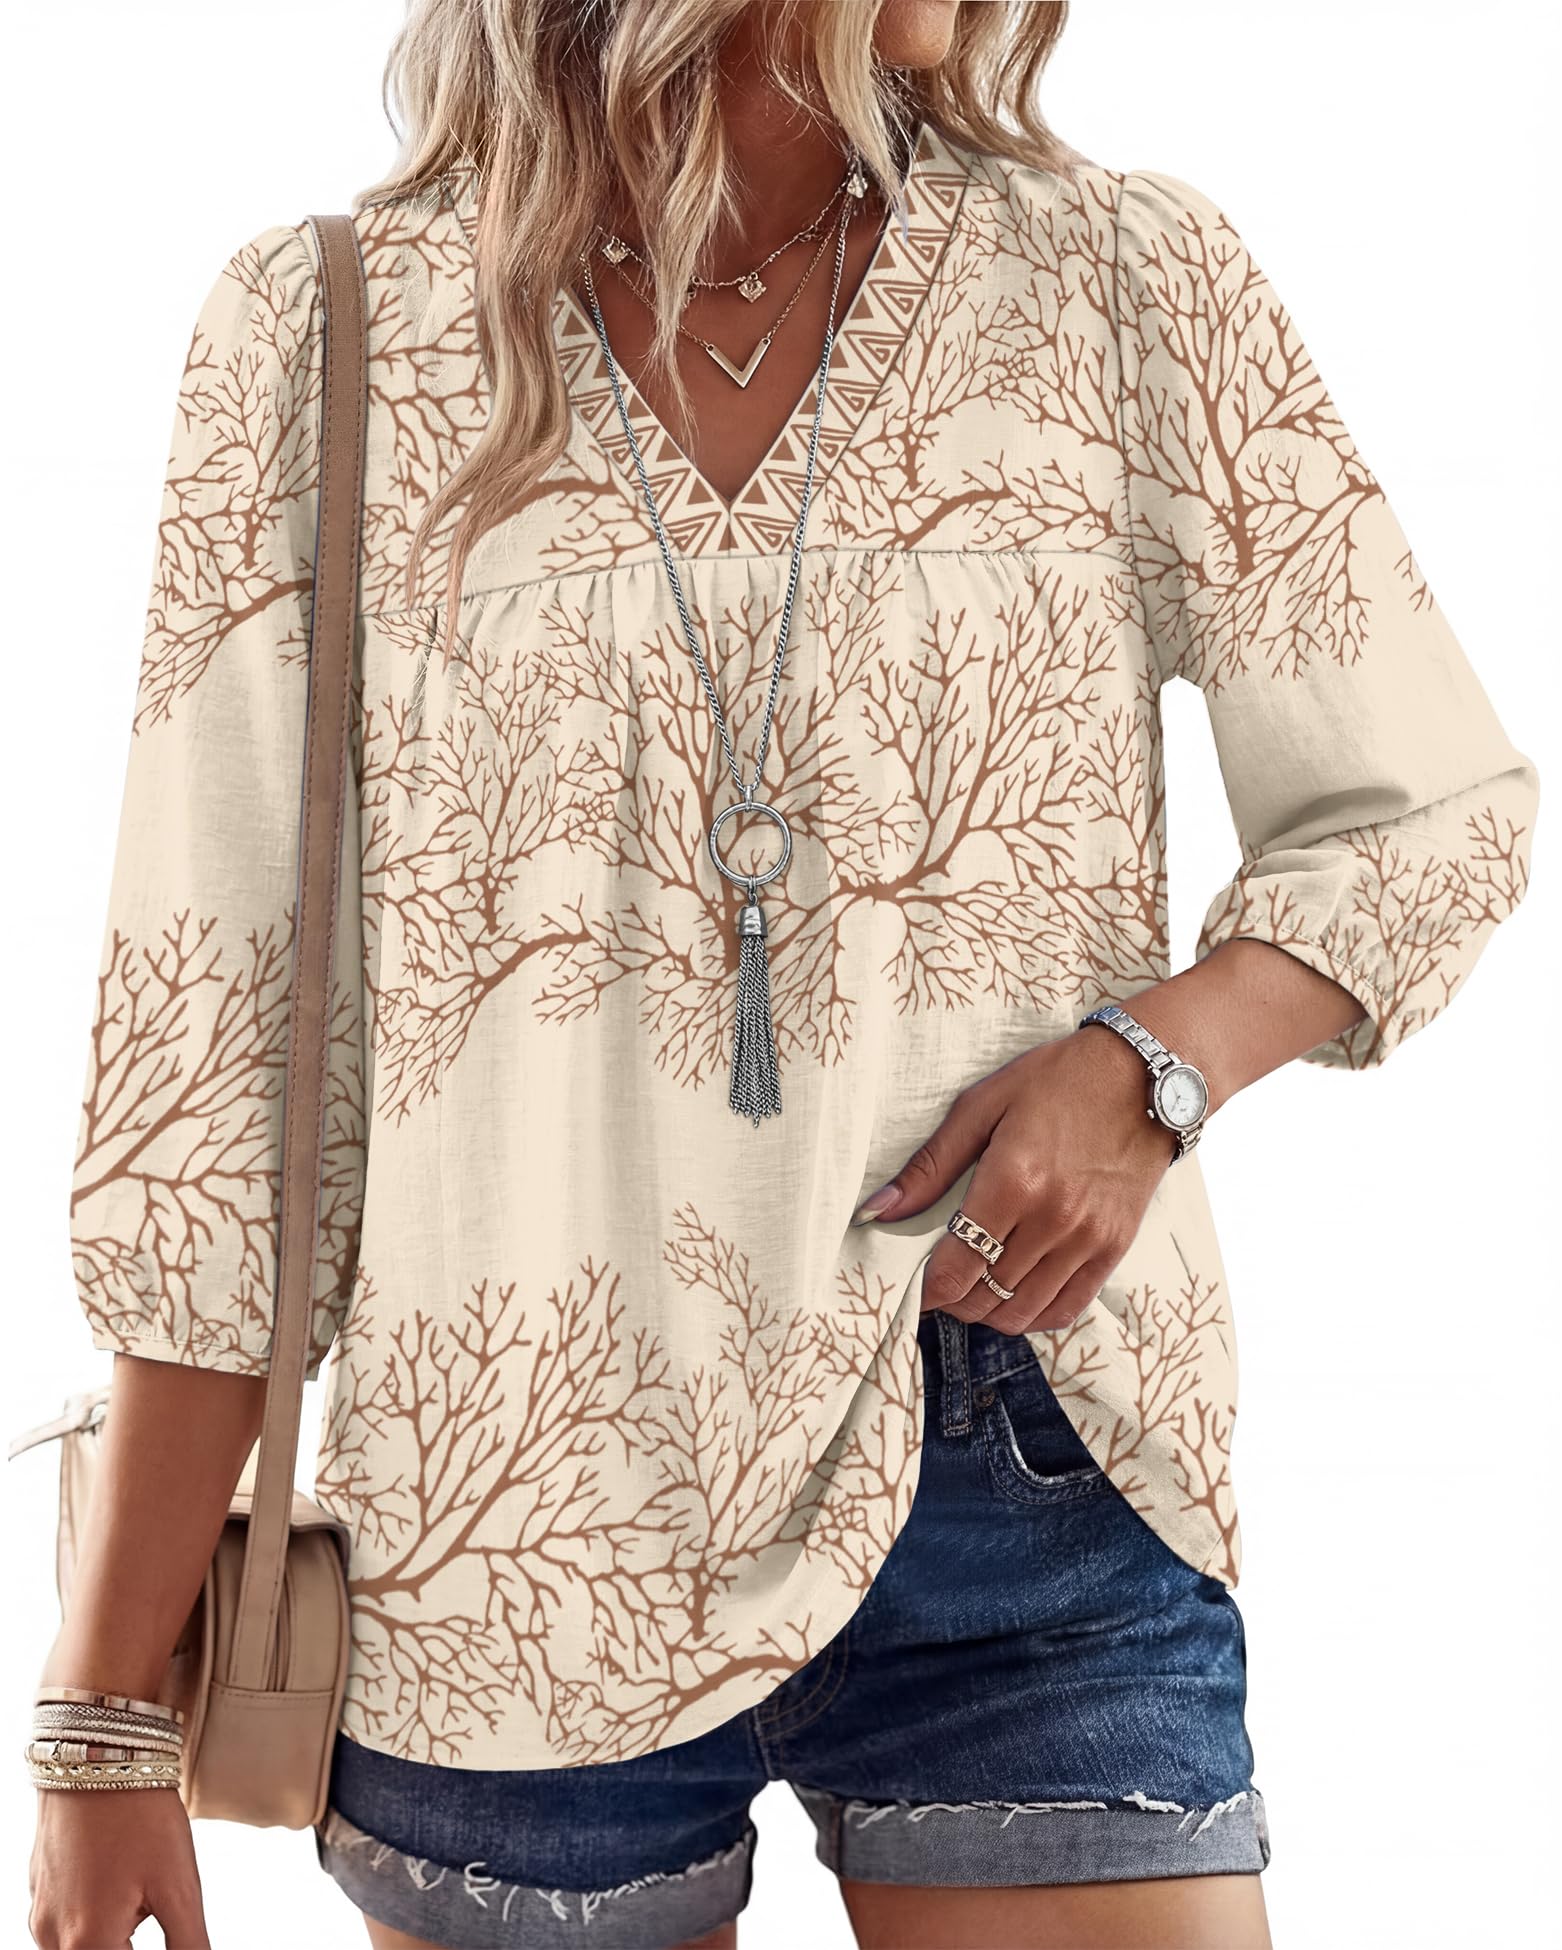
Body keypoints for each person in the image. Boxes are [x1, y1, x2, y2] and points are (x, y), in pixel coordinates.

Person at [26, 3, 1540, 1948]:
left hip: (1021, 1439)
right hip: (514, 1516)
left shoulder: (1115, 279)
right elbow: (215, 1064)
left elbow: (1425, 804)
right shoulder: (324, 333)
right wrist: (97, 1716)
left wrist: (1153, 1063)